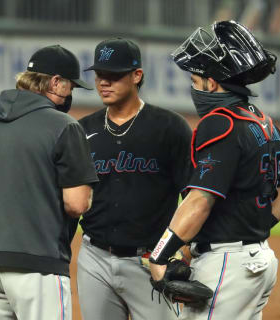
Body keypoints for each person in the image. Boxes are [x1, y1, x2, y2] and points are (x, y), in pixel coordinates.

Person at [149, 21, 280, 320]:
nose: (194, 87)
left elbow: (200, 201)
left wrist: (159, 255)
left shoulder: (220, 123)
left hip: (227, 265)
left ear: (212, 83)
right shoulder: (261, 121)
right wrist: (256, 226)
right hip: (258, 260)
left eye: (196, 79)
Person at [0, 45, 99, 320]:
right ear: (55, 82)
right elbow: (76, 204)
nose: (70, 95)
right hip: (37, 264)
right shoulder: (64, 126)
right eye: (70, 87)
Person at [76, 38, 193, 320]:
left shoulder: (169, 128)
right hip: (94, 258)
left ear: (136, 75)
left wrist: (185, 253)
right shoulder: (82, 129)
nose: (104, 82)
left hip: (150, 259)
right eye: (100, 74)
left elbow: (193, 196)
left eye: (114, 75)